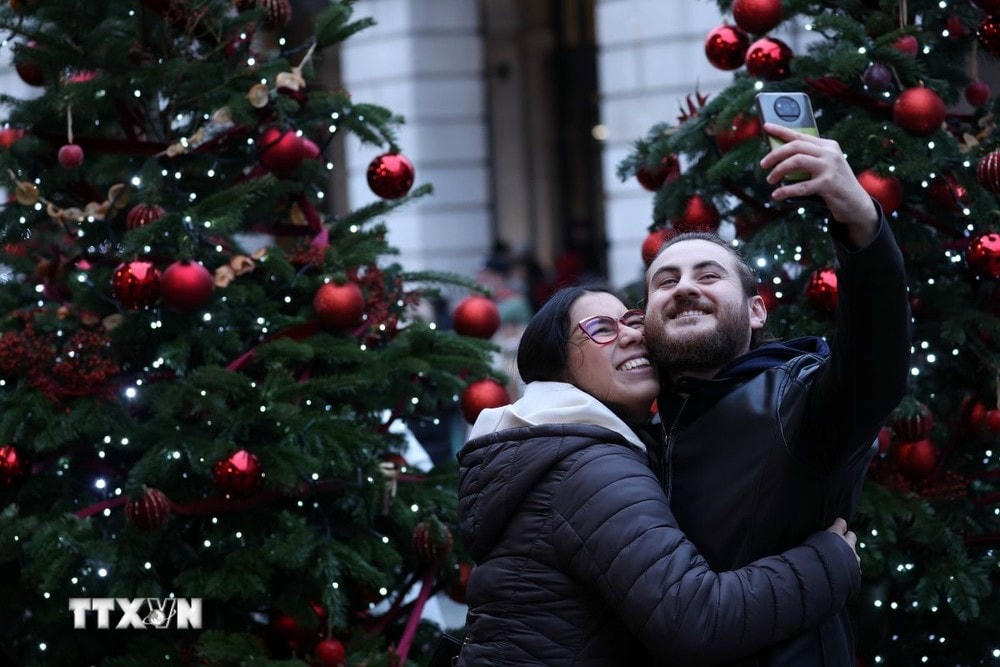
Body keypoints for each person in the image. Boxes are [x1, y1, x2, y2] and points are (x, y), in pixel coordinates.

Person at [456, 286, 862, 666]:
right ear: (557, 369)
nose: (633, 336)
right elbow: (693, 619)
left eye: (633, 322)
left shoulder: (562, 446)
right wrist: (827, 562)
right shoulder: (590, 468)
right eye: (600, 329)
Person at [642, 123, 911, 665]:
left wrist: (860, 220)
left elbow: (876, 361)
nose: (685, 287)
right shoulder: (630, 430)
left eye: (708, 275)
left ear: (757, 310)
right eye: (664, 281)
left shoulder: (803, 402)